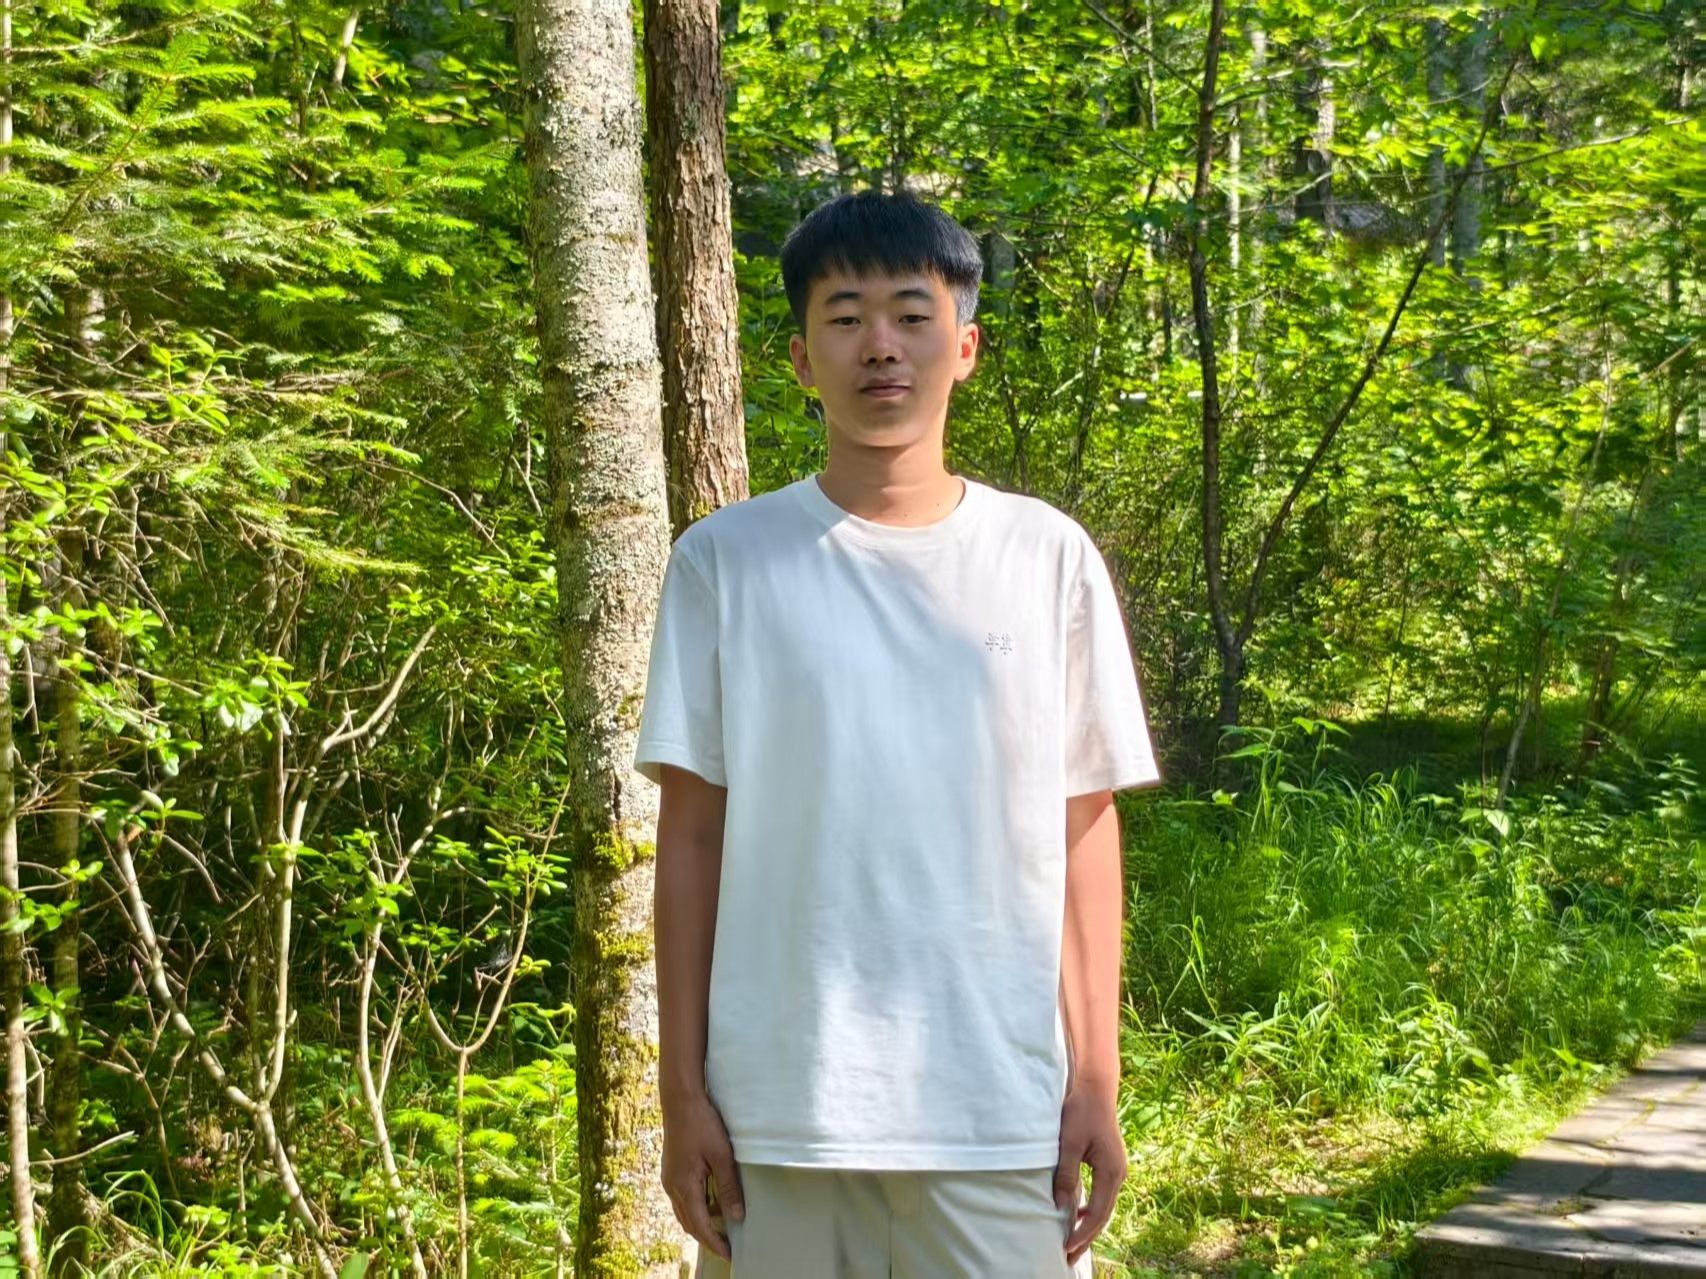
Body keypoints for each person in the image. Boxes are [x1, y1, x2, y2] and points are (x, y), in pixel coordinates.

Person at [634, 190, 1162, 1278]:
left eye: (912, 315)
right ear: (800, 358)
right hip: (777, 1120)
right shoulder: (725, 561)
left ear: (963, 347)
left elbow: (1082, 825)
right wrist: (680, 1093)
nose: (880, 346)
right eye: (845, 317)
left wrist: (1096, 1079)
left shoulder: (1045, 556)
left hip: (999, 1115)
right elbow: (689, 837)